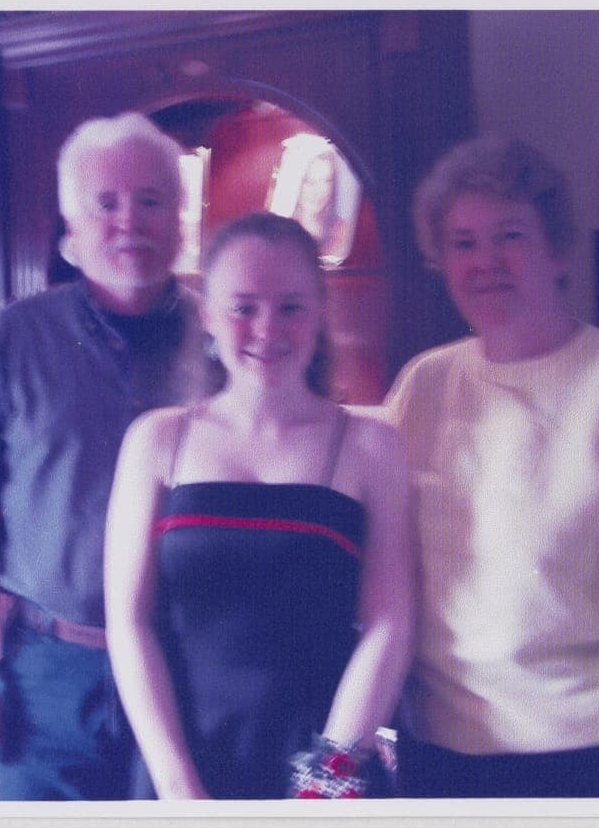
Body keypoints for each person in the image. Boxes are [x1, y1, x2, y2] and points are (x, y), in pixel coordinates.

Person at [384, 135, 599, 797]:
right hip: (436, 756)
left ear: (559, 249)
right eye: (463, 242)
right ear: (440, 258)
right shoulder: (422, 386)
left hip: (579, 761)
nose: (485, 261)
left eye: (509, 235)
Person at [0, 111, 201, 800]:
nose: (130, 220)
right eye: (106, 203)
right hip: (47, 676)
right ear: (73, 227)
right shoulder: (12, 341)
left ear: (181, 219)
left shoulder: (223, 339)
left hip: (188, 670)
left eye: (151, 200)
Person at [104, 212, 415, 799]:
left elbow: (389, 623)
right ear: (208, 316)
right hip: (179, 769)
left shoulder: (374, 446)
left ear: (320, 314)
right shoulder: (156, 440)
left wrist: (326, 783)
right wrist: (178, 789)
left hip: (325, 773)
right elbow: (130, 620)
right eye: (243, 307)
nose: (267, 328)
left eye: (291, 307)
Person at [291, 148, 354, 264]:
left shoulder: (343, 230)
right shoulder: (283, 231)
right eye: (309, 181)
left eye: (326, 181)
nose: (318, 191)